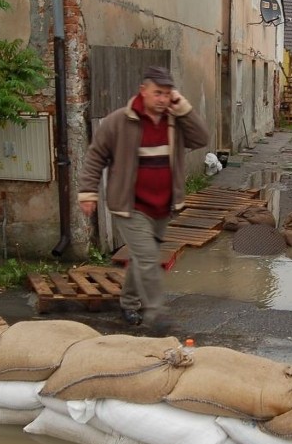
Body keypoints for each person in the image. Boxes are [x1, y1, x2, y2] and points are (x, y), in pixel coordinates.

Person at [78, 65, 209, 334]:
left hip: (162, 205)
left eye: (167, 94)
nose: (162, 99)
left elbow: (201, 138)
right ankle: (156, 314)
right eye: (157, 93)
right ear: (143, 91)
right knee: (148, 258)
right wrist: (88, 192)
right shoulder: (119, 122)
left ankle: (127, 303)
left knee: (141, 258)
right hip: (130, 206)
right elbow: (95, 157)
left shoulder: (175, 121)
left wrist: (184, 108)